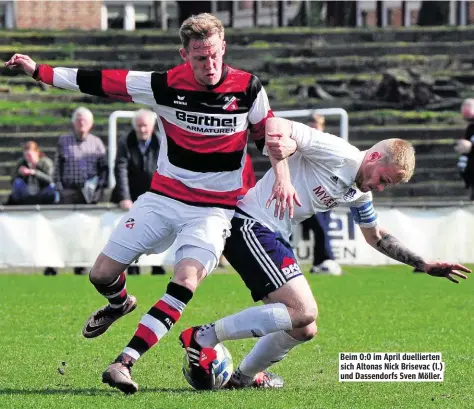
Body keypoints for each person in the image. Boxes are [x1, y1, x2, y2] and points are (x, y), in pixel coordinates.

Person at [5, 13, 298, 394]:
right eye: (199, 58)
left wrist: (285, 163)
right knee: (101, 275)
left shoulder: (249, 88)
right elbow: (100, 81)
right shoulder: (163, 85)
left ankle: (123, 363)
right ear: (183, 55)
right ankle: (119, 303)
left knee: (186, 280)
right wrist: (38, 71)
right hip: (163, 197)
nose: (209, 66)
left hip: (214, 209)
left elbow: (267, 135)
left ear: (223, 47)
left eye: (214, 56)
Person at [180, 116, 471, 389]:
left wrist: (424, 263)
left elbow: (376, 236)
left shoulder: (360, 192)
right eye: (383, 179)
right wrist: (283, 175)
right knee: (304, 310)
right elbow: (275, 124)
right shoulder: (337, 151)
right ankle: (203, 336)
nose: (380, 188)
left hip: (273, 234)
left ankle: (242, 378)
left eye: (387, 185)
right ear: (373, 157)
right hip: (250, 224)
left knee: (304, 328)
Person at [110, 109, 165, 275]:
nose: (142, 129)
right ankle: (132, 266)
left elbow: (164, 169)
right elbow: (121, 168)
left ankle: (156, 265)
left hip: (153, 195)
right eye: (139, 126)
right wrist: (125, 197)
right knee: (130, 232)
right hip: (132, 195)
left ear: (152, 126)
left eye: (145, 126)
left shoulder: (161, 141)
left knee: (155, 232)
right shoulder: (125, 141)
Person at [303, 113, 342, 275]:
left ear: (322, 126)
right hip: (306, 193)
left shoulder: (328, 144)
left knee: (321, 228)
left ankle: (320, 263)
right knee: (319, 228)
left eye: (316, 123)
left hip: (325, 193)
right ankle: (327, 260)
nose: (313, 126)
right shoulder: (302, 143)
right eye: (311, 123)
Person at [53, 107, 108, 206]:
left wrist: (99, 190)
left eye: (85, 120)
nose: (81, 123)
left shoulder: (97, 143)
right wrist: (60, 189)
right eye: (79, 120)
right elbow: (57, 167)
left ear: (91, 123)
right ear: (74, 122)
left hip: (90, 193)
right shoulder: (63, 141)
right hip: (68, 191)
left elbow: (104, 169)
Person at [7, 141, 55, 205]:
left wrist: (34, 172)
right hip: (26, 191)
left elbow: (51, 180)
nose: (28, 158)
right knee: (17, 182)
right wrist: (20, 174)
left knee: (52, 187)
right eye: (26, 156)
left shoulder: (46, 162)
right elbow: (12, 181)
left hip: (42, 191)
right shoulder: (22, 163)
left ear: (37, 153)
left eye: (29, 155)